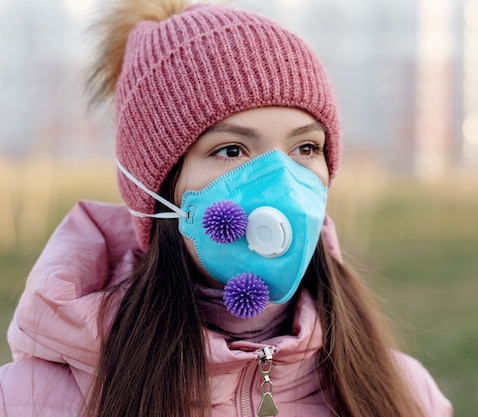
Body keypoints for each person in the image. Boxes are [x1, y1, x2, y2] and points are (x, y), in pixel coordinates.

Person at [0, 0, 453, 416]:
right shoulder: (29, 399)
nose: (283, 184)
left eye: (306, 147)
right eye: (232, 150)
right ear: (157, 187)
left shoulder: (404, 391)